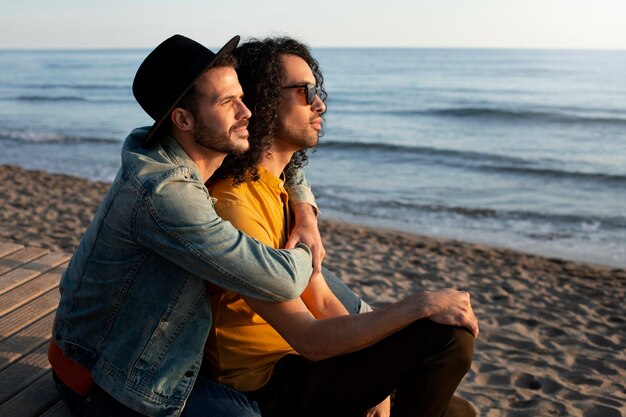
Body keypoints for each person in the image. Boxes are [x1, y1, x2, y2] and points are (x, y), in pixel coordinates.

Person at [48, 34, 346, 417]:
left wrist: (304, 210)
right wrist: (306, 245)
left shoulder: (178, 148)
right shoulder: (165, 195)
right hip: (106, 378)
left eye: (243, 98)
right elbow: (284, 279)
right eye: (229, 103)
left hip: (138, 350)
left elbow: (283, 163)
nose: (248, 112)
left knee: (338, 299)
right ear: (183, 119)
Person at [204, 37, 479, 417]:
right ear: (264, 100)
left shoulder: (279, 192)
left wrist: (375, 388)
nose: (319, 104)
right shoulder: (234, 206)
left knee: (457, 411)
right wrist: (418, 305)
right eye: (303, 92)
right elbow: (310, 340)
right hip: (267, 384)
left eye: (315, 91)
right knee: (446, 337)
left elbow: (325, 302)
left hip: (305, 364)